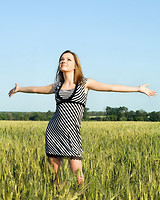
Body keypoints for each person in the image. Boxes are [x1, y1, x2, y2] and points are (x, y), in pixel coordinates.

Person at [8, 50, 156, 185]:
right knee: (56, 177)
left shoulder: (85, 83)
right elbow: (36, 90)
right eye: (61, 59)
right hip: (54, 131)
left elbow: (111, 87)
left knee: (78, 177)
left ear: (75, 65)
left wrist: (138, 89)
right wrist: (19, 89)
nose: (63, 61)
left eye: (68, 59)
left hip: (72, 133)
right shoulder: (57, 86)